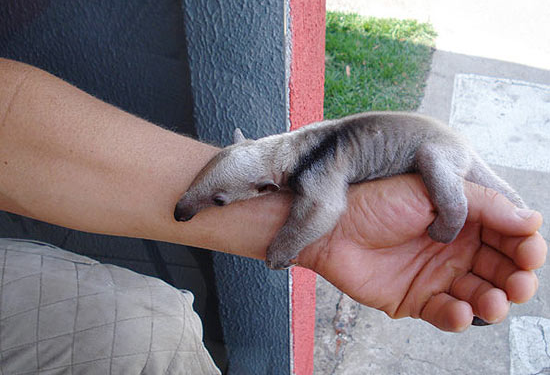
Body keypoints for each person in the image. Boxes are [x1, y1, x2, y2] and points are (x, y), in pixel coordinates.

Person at [0, 57, 546, 333]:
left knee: (453, 202)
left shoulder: (311, 173)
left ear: (268, 184)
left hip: (437, 150)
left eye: (218, 201)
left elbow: (326, 207)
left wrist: (283, 248)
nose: (197, 206)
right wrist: (223, 206)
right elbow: (282, 191)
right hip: (395, 144)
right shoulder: (286, 153)